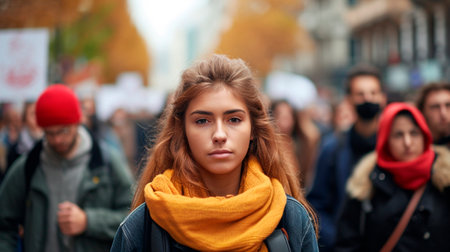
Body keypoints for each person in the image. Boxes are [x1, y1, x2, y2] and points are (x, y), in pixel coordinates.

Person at [110, 54, 319, 252]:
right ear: (183, 130)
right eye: (202, 121)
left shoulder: (290, 218)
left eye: (234, 119)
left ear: (253, 129)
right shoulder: (143, 226)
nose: (219, 134)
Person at [0, 84, 135, 252]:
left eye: (63, 131)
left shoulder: (107, 162)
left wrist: (88, 221)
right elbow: (4, 223)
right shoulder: (29, 166)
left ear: (77, 122)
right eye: (49, 133)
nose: (57, 139)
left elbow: (132, 218)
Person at [335, 102, 450, 251]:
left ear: (425, 135)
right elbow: (347, 243)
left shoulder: (445, 179)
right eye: (398, 135)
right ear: (385, 141)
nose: (408, 143)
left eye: (414, 133)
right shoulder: (365, 185)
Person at [307, 64, 387, 251]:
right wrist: (338, 240)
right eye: (360, 94)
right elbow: (317, 204)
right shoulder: (332, 149)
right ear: (349, 99)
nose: (367, 99)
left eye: (373, 93)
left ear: (383, 98)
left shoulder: (395, 148)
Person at [416, 82, 450, 148]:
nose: (443, 113)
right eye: (435, 107)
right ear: (422, 111)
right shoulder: (416, 148)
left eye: (448, 105)